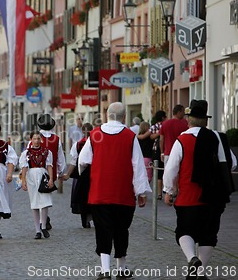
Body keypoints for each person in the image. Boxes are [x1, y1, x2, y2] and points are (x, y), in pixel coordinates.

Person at [163, 100, 236, 279]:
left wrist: (168, 191)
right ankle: (201, 271)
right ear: (206, 120)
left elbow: (171, 168)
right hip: (214, 198)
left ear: (189, 120)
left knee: (184, 231)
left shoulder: (183, 139)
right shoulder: (218, 138)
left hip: (189, 196)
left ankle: (192, 258)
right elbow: (232, 163)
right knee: (208, 235)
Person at [78, 102, 151, 280]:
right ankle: (122, 267)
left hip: (99, 192)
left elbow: (83, 160)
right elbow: (138, 165)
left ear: (107, 115)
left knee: (102, 231)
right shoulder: (129, 136)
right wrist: (141, 192)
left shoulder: (95, 134)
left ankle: (105, 270)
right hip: (123, 193)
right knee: (121, 230)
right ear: (124, 117)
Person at [30, 114, 66, 230]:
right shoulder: (56, 139)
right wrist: (60, 171)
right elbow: (60, 157)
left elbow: (28, 154)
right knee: (45, 194)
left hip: (35, 171)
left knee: (37, 195)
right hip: (50, 171)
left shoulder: (34, 138)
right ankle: (44, 218)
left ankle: (42, 219)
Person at [19, 131, 53, 239]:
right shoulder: (26, 153)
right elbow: (24, 167)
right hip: (31, 176)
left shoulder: (47, 152)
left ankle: (43, 225)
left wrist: (51, 178)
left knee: (45, 201)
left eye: (38, 139)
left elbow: (49, 165)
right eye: (35, 139)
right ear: (31, 140)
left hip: (43, 175)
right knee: (34, 202)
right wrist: (23, 181)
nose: (37, 141)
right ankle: (37, 229)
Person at [62, 122, 93, 228]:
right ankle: (95, 218)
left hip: (83, 173)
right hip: (94, 173)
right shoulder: (97, 143)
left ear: (82, 132)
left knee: (83, 197)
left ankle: (85, 220)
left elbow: (74, 161)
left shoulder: (78, 144)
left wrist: (68, 174)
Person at [150, 110, 167, 200]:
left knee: (158, 173)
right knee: (166, 171)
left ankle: (159, 193)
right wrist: (160, 133)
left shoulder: (154, 127)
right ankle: (168, 191)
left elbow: (151, 136)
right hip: (165, 150)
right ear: (163, 117)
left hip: (155, 150)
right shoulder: (166, 126)